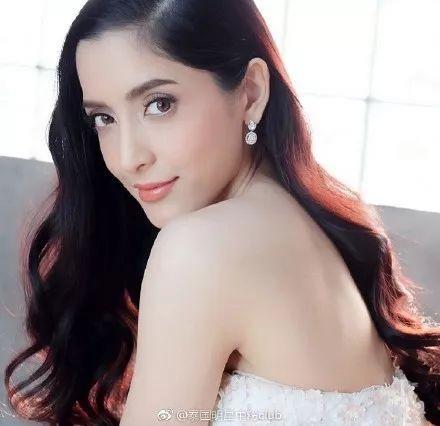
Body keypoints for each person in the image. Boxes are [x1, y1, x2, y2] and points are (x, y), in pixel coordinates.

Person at [3, 0, 438, 425]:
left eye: (159, 104)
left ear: (251, 92)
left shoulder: (201, 247)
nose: (127, 158)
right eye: (104, 118)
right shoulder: (303, 223)